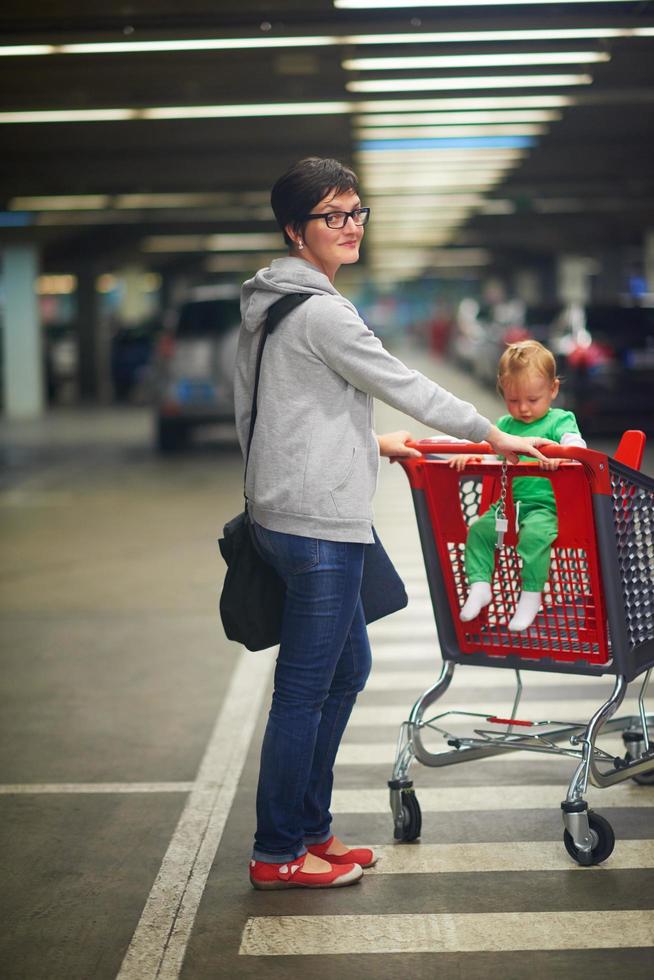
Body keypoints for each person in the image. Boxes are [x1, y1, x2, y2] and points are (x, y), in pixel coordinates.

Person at [234, 157, 549, 890]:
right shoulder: (319, 310)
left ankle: (311, 831)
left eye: (355, 212)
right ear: (294, 229)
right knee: (306, 688)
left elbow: (278, 406)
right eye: (331, 216)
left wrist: (369, 441)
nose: (349, 227)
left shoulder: (271, 304)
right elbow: (399, 381)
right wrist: (490, 432)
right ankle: (279, 851)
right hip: (317, 524)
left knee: (346, 669)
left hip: (290, 510)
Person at [450, 340, 586, 631]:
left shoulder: (559, 420)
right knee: (479, 531)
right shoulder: (505, 427)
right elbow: (493, 455)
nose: (523, 408)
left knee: (534, 538)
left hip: (545, 506)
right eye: (514, 400)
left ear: (553, 390)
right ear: (503, 392)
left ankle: (531, 595)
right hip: (507, 506)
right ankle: (480, 585)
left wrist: (564, 456)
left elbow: (576, 444)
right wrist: (472, 454)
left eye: (533, 399)